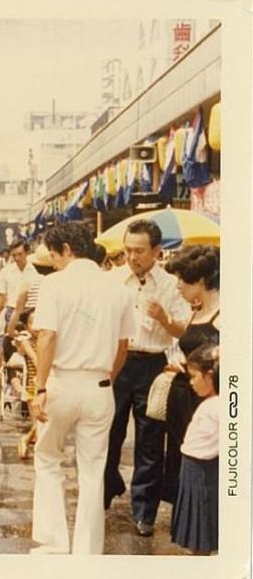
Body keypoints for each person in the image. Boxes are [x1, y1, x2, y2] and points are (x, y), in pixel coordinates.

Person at [30, 222, 135, 555]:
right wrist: (107, 379)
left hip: (60, 381)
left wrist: (39, 386)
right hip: (100, 386)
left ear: (66, 250)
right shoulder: (118, 288)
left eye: (54, 256)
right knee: (92, 470)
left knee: (48, 459)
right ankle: (87, 550)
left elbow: (46, 336)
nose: (53, 263)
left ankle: (52, 542)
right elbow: (123, 346)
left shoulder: (53, 284)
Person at [103, 220, 190, 537]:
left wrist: (164, 319)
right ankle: (104, 492)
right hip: (116, 361)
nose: (132, 256)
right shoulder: (112, 280)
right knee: (106, 433)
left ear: (156, 251)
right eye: (127, 250)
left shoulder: (170, 284)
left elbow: (183, 329)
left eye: (139, 251)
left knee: (150, 441)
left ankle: (145, 511)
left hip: (153, 364)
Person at [162, 246, 220, 507]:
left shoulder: (222, 314)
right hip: (182, 396)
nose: (179, 287)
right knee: (180, 456)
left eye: (182, 280)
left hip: (204, 401)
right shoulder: (196, 311)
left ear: (200, 280)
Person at [170, 343, 219, 555]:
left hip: (202, 471)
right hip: (192, 469)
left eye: (194, 376)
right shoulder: (209, 403)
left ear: (210, 376)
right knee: (196, 538)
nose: (191, 382)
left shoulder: (218, 406)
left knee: (202, 537)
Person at [13, 309, 39, 459]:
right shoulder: (25, 341)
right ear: (27, 326)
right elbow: (36, 360)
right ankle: (28, 440)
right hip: (33, 385)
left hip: (50, 384)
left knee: (44, 422)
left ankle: (27, 439)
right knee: (40, 421)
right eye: (32, 323)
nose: (36, 326)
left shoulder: (49, 339)